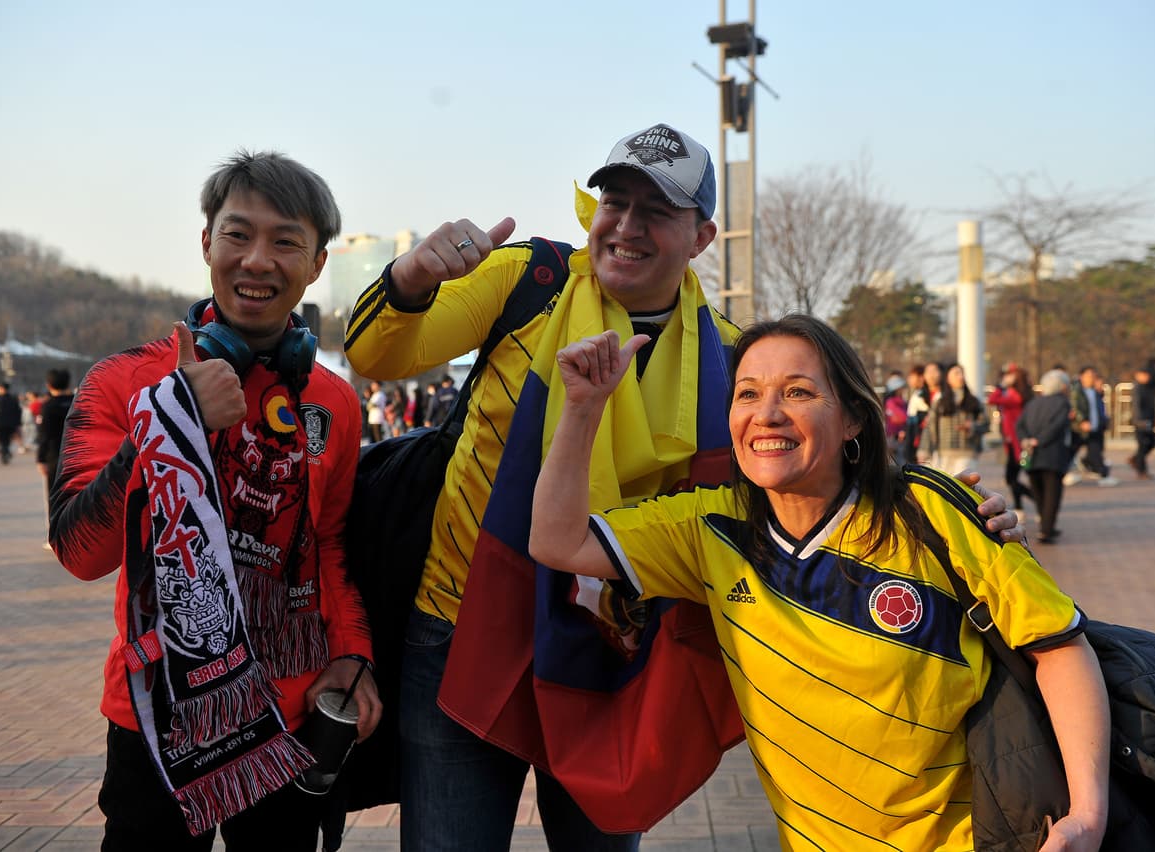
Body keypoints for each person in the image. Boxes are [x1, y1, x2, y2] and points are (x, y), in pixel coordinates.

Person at [344, 122, 1024, 851]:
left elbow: (810, 482)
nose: (626, 226)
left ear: (701, 237)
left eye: (657, 211)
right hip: (461, 623)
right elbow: (379, 356)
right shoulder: (527, 280)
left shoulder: (730, 356)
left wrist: (944, 514)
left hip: (610, 649)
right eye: (615, 201)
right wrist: (411, 278)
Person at [528, 315, 1108, 852]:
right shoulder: (708, 527)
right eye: (748, 393)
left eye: (798, 392)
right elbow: (557, 543)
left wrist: (1087, 814)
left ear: (853, 417)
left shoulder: (930, 510)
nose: (767, 414)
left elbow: (1058, 645)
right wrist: (583, 408)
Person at [48, 150, 382, 851]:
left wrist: (353, 653)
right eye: (237, 234)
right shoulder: (123, 380)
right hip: (160, 712)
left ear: (317, 264)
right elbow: (79, 552)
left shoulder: (334, 401)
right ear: (206, 243)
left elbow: (330, 542)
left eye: (285, 241)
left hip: (289, 713)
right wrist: (170, 421)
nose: (257, 259)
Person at [1018, 369, 1076, 544]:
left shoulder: (1033, 403)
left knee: (1039, 493)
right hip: (1052, 455)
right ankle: (1046, 530)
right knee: (1052, 494)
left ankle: (1045, 524)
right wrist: (1039, 440)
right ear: (1063, 386)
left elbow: (1019, 425)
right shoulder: (1063, 403)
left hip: (1032, 456)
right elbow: (1057, 426)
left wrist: (1026, 440)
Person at [924, 362, 988, 475]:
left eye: (962, 373)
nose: (961, 377)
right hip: (944, 454)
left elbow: (985, 423)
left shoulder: (974, 401)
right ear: (947, 378)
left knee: (962, 483)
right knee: (945, 484)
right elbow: (930, 427)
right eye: (956, 373)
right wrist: (925, 450)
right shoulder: (939, 403)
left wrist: (972, 426)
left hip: (967, 453)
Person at [988, 363, 1036, 513]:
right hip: (1012, 441)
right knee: (1013, 477)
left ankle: (1035, 499)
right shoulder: (1014, 393)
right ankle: (1020, 505)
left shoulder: (1015, 395)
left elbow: (992, 399)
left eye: (1009, 375)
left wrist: (1001, 385)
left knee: (1011, 477)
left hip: (1017, 441)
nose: (1006, 377)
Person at [35, 368, 74, 548]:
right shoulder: (78, 401)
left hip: (55, 457)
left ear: (49, 385)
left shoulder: (48, 406)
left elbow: (45, 435)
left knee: (55, 497)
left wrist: (40, 459)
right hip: (79, 454)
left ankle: (56, 537)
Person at [1069, 366, 1119, 487]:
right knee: (1069, 453)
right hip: (1079, 429)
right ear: (1081, 377)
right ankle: (1065, 474)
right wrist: (1082, 421)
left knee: (1096, 452)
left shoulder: (1095, 392)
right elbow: (1075, 407)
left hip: (1094, 429)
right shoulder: (1076, 391)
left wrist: (1103, 422)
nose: (1092, 378)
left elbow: (1098, 410)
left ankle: (1103, 475)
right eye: (1089, 376)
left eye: (1093, 376)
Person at [1128, 364, 1155, 479]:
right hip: (1141, 421)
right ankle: (1141, 470)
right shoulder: (1137, 388)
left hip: (1149, 420)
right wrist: (1139, 421)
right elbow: (1136, 406)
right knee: (1142, 445)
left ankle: (1135, 459)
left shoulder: (1149, 387)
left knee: (1152, 442)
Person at [0, 382, 23, 463]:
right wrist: (18, 422)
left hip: (2, 423)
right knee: (6, 440)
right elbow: (18, 411)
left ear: (3, 389)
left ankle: (5, 453)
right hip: (10, 423)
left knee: (3, 440)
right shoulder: (13, 399)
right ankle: (6, 452)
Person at [883, 371, 909, 465]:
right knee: (896, 461)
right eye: (901, 387)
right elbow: (902, 417)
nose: (903, 390)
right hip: (893, 436)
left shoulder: (902, 401)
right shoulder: (891, 402)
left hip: (901, 435)